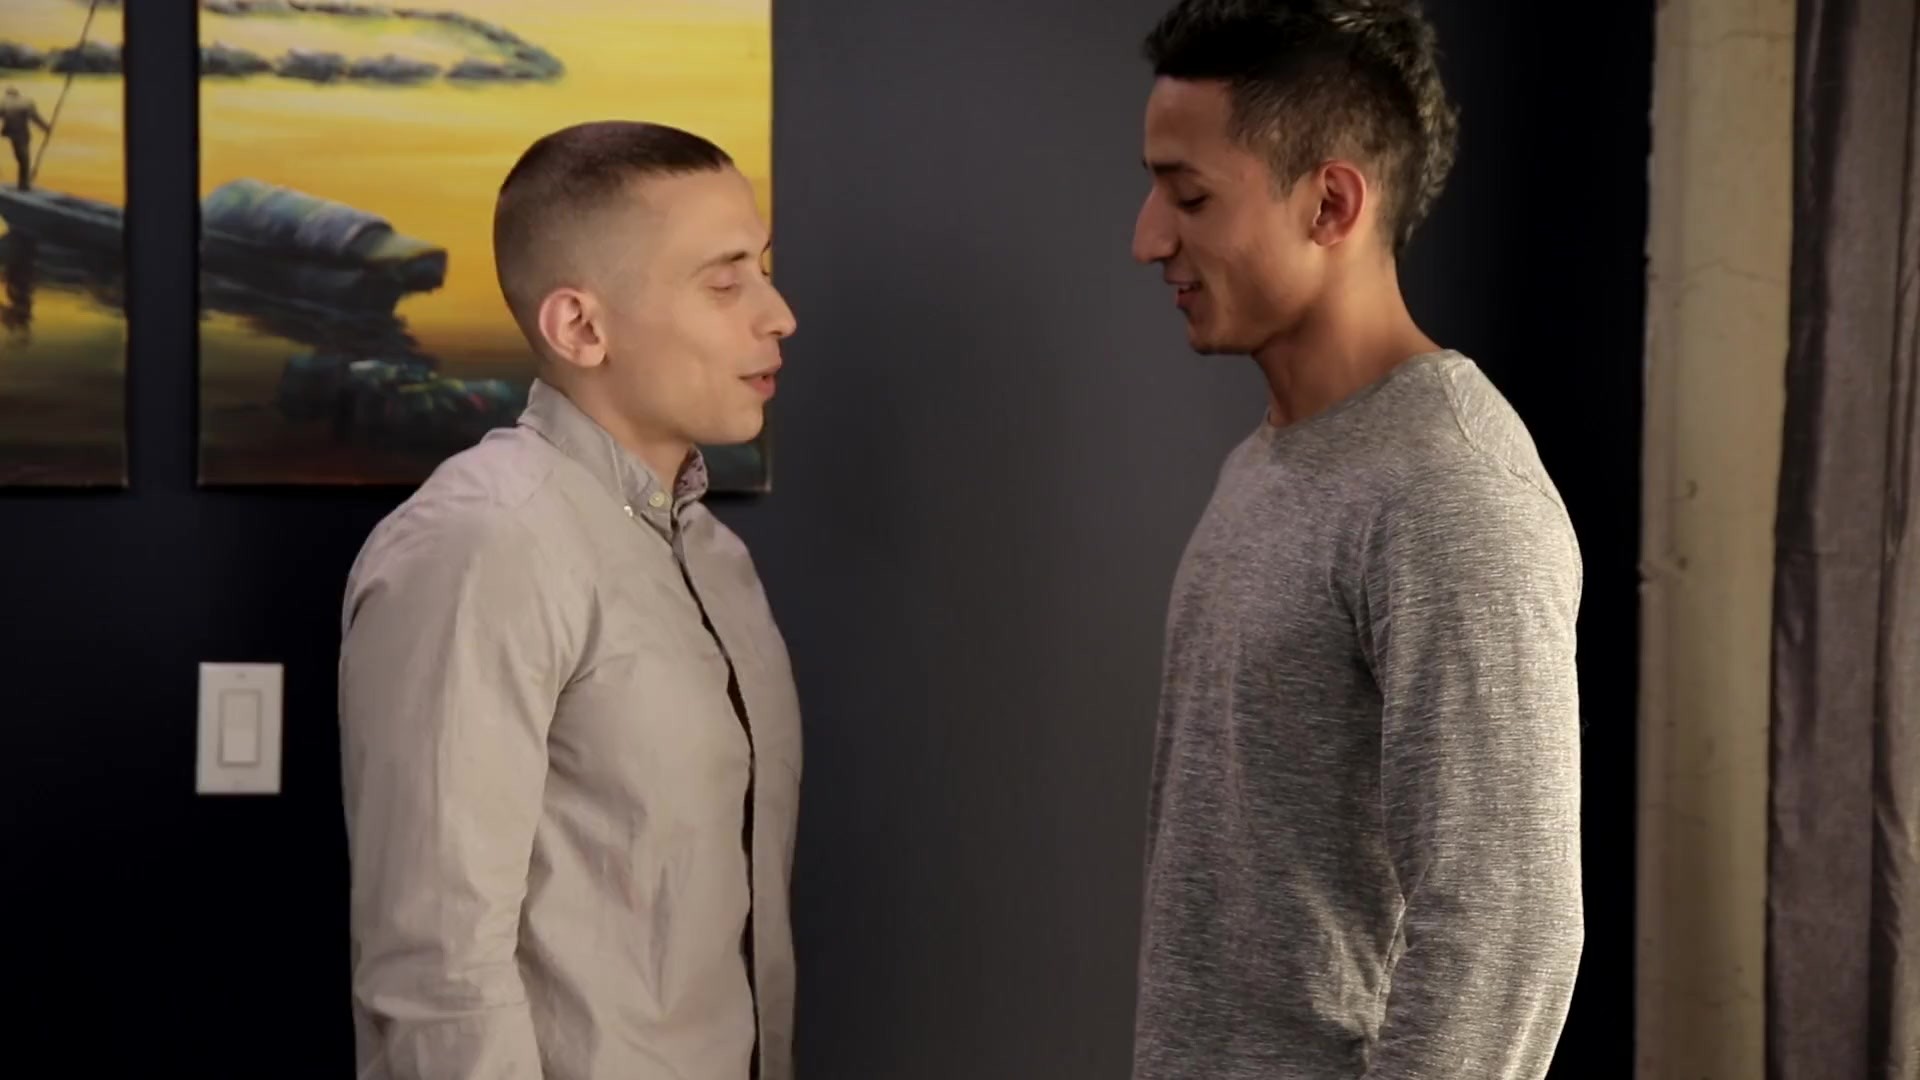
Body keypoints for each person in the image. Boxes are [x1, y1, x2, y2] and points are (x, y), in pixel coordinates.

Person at [1126, 2, 1584, 1078]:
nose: (1147, 238)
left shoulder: (1452, 490)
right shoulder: (1270, 459)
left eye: (1190, 197)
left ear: (1330, 202)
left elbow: (1508, 932)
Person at [338, 120, 802, 1080]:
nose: (779, 314)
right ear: (580, 327)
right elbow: (437, 978)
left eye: (762, 269)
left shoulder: (717, 560)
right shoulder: (482, 545)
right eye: (725, 283)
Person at [2, 87, 51, 191]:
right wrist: (45, 127)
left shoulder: (4, 103)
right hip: (22, 134)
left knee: (22, 158)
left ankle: (24, 182)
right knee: (24, 159)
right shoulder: (27, 103)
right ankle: (24, 183)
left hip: (12, 133)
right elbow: (35, 118)